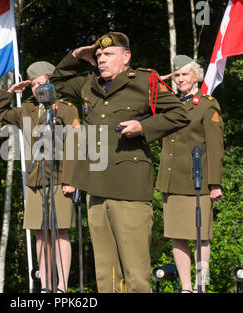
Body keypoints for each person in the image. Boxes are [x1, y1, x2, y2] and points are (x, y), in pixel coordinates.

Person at [50, 32, 190, 293]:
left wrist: (143, 126)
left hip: (129, 188)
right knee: (107, 274)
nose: (101, 60)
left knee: (135, 273)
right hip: (96, 186)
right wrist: (76, 56)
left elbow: (179, 114)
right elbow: (56, 83)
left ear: (126, 57)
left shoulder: (145, 82)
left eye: (108, 54)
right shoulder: (87, 84)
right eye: (99, 55)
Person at [0, 61, 80, 293]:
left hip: (60, 179)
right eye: (33, 85)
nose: (36, 89)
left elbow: (74, 146)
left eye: (41, 83)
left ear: (52, 83)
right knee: (41, 235)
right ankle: (45, 286)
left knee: (60, 231)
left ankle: (61, 286)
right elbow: (0, 113)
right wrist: (10, 93)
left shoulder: (66, 109)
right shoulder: (26, 111)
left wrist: (70, 180)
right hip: (34, 181)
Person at [156, 55, 224, 293]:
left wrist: (214, 183)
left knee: (200, 237)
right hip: (172, 180)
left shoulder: (206, 104)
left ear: (196, 76)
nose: (180, 79)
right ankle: (186, 288)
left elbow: (215, 147)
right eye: (177, 75)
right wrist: (158, 80)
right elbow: (146, 99)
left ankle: (200, 285)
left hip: (197, 181)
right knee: (177, 235)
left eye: (185, 74)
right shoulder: (170, 102)